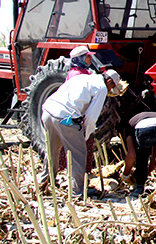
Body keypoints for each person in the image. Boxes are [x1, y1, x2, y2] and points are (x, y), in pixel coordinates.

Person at [41, 69, 125, 199]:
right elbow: (91, 117)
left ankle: (45, 181)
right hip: (65, 119)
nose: (110, 90)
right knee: (78, 154)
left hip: (48, 111)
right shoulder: (101, 87)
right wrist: (84, 135)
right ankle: (77, 192)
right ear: (109, 81)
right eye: (112, 87)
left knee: (52, 149)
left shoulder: (82, 78)